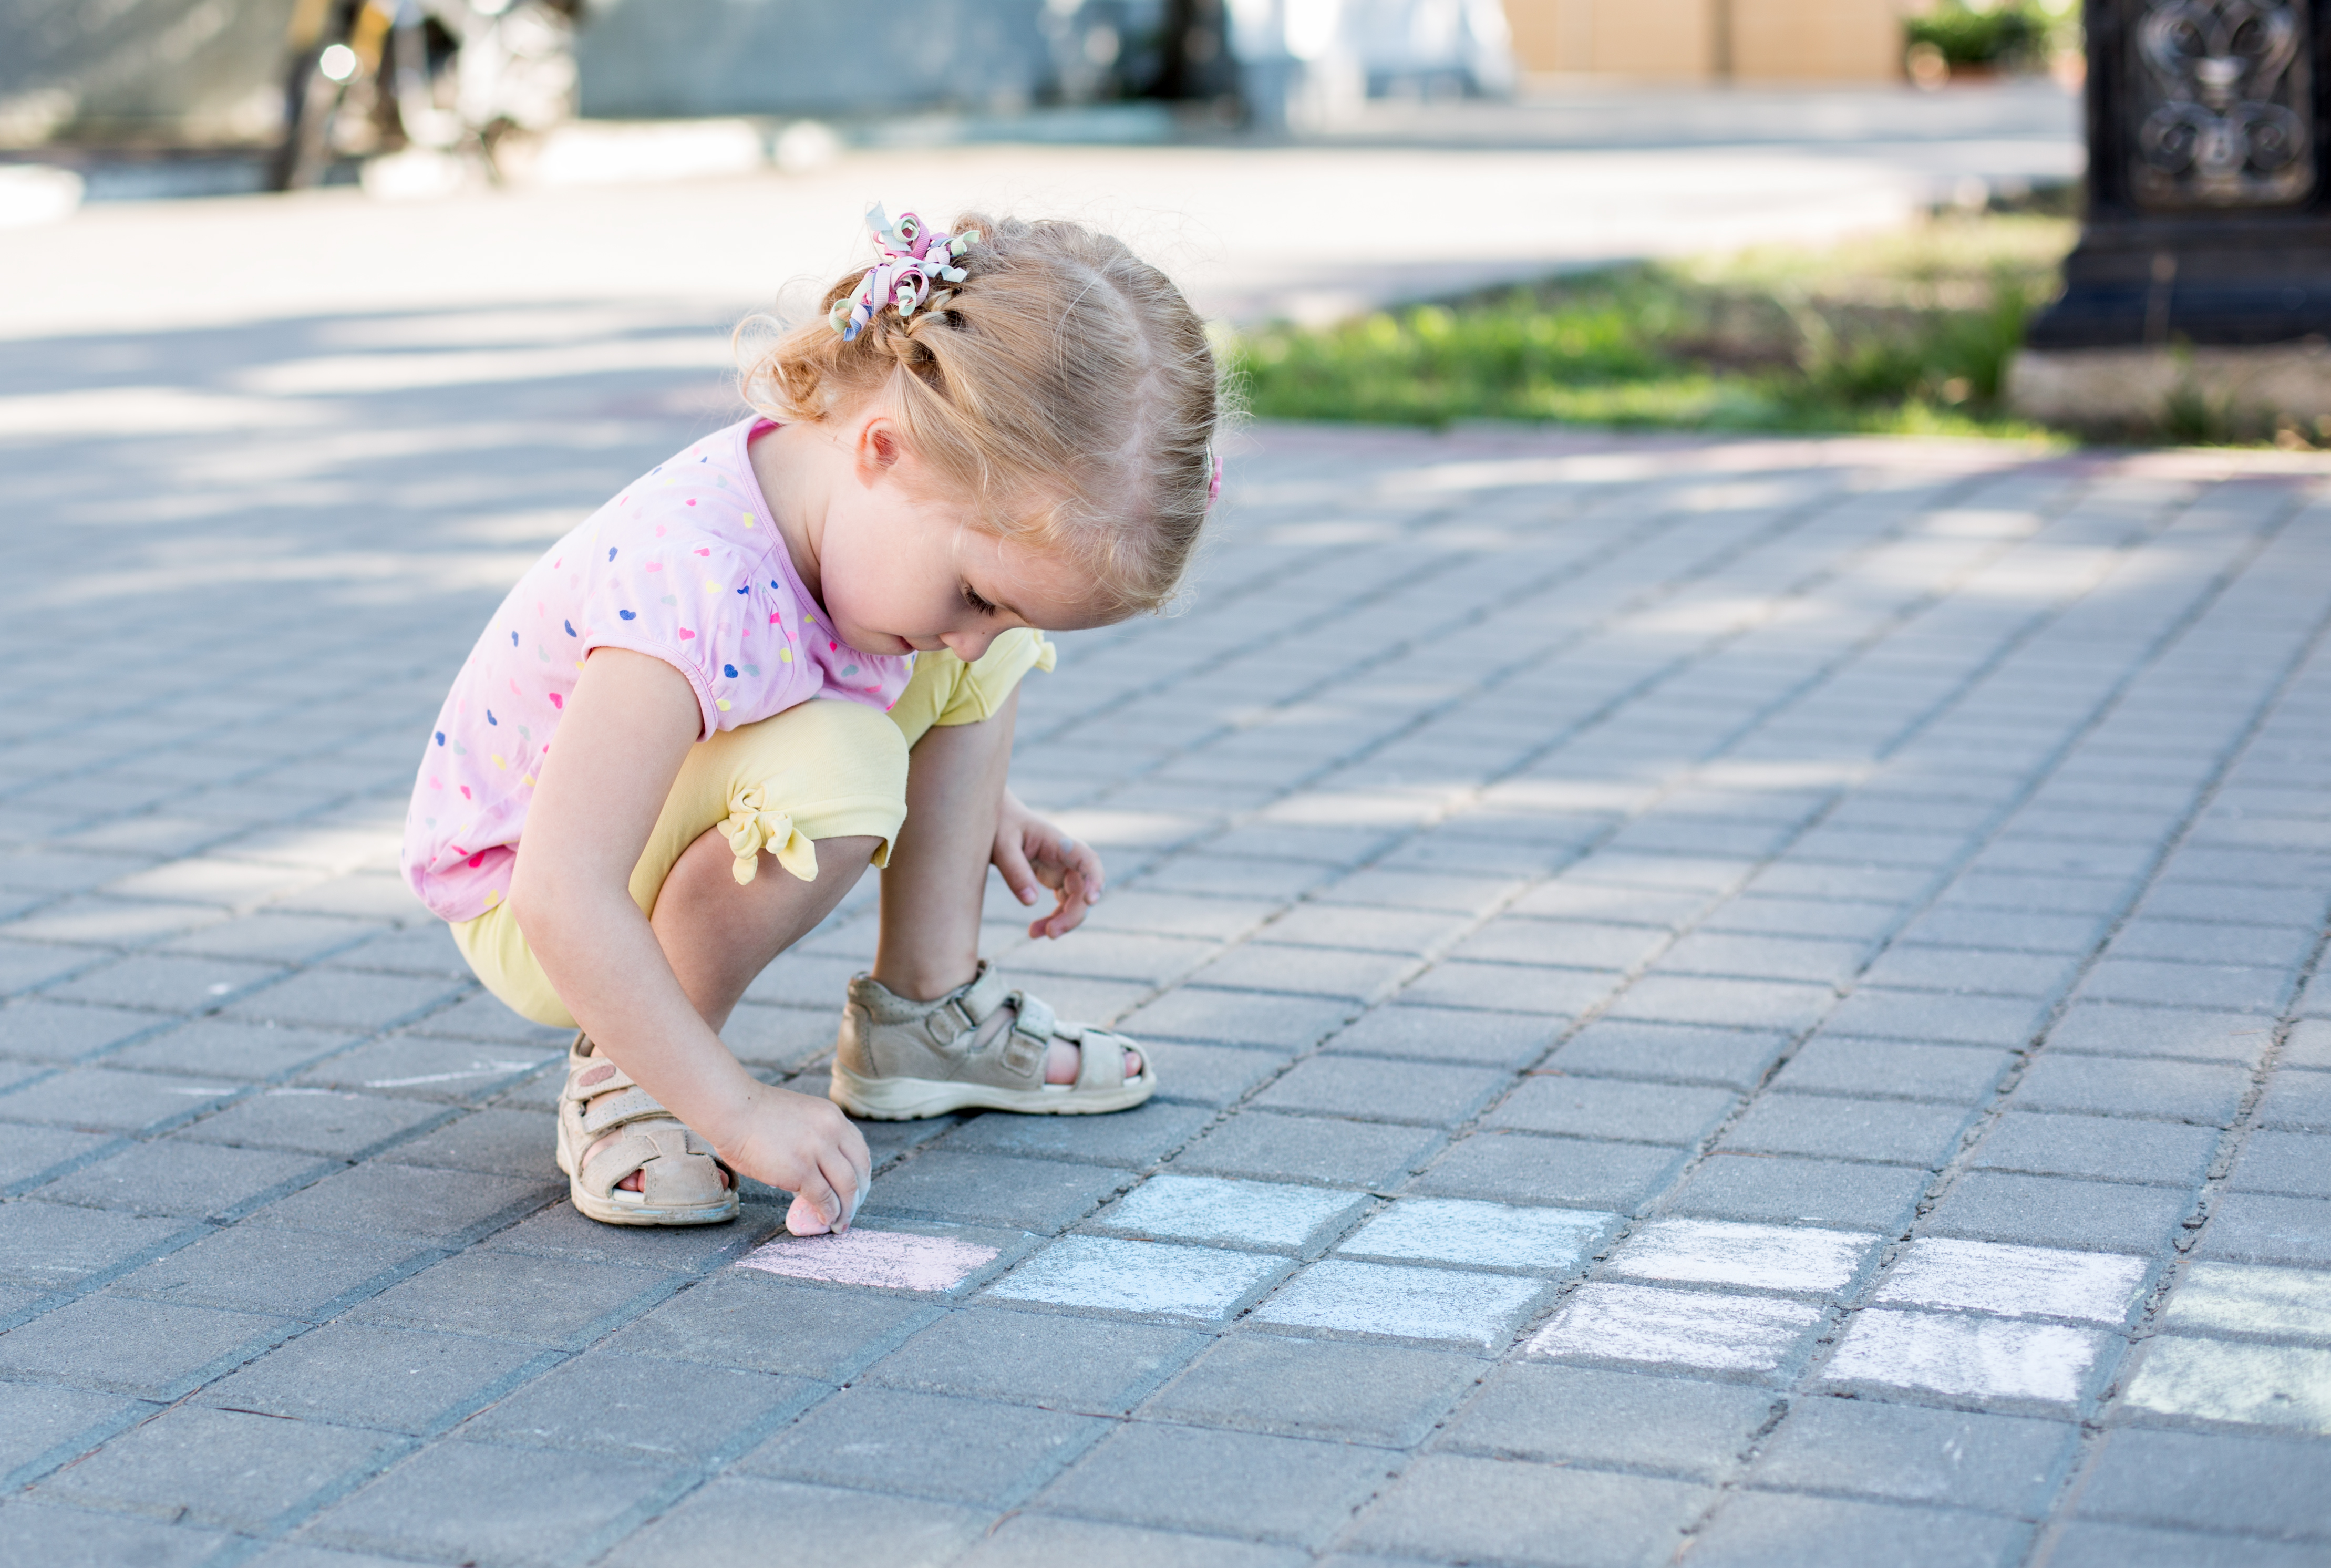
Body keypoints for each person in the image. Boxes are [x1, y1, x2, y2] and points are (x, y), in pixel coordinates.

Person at [399, 207, 1223, 1237]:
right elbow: (561, 891)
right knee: (843, 769)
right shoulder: (693, 581)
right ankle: (635, 1079)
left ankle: (922, 1014)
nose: (966, 640)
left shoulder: (861, 524)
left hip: (627, 834)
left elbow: (922, 651)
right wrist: (734, 1111)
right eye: (975, 592)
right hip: (530, 899)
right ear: (883, 449)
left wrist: (977, 803)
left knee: (961, 671)